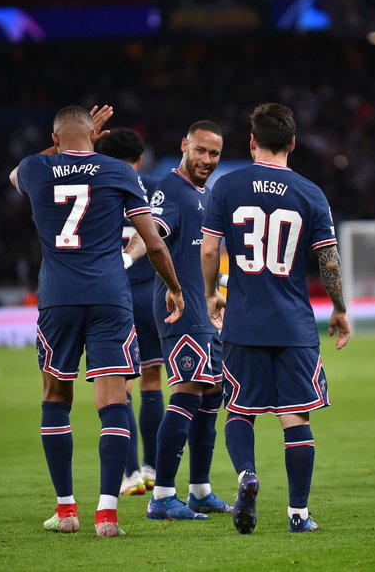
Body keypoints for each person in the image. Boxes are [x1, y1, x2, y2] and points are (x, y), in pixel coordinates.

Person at [9, 104, 184, 538]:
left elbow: (17, 174)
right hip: (109, 297)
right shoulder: (118, 172)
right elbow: (154, 243)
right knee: (113, 403)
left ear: (54, 136)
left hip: (58, 299)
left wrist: (65, 141)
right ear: (95, 135)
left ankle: (66, 511)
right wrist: (175, 289)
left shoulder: (35, 168)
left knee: (55, 397)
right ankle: (107, 514)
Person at [200, 103, 351, 534]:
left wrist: (211, 295)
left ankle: (247, 475)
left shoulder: (226, 187)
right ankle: (298, 514)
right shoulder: (310, 192)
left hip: (243, 322)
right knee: (296, 416)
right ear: (293, 143)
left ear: (251, 142)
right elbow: (329, 260)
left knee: (239, 411)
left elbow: (210, 249)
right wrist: (339, 309)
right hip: (293, 324)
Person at [123, 121, 232, 520]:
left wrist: (217, 287)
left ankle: (200, 490)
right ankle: (163, 496)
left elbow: (194, 255)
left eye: (214, 154)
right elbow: (149, 234)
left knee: (209, 396)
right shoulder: (169, 190)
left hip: (204, 309)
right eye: (200, 150)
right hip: (179, 311)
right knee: (187, 394)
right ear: (184, 145)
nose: (206, 159)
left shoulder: (203, 195)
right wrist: (126, 258)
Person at [97, 128, 165, 496]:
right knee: (152, 380)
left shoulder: (95, 184)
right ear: (139, 160)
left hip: (112, 294)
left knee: (119, 385)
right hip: (150, 291)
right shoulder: (155, 186)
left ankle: (130, 474)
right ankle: (153, 467)